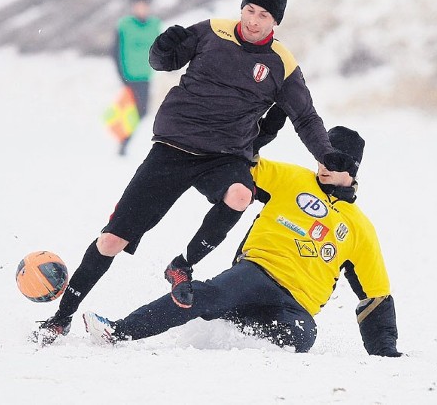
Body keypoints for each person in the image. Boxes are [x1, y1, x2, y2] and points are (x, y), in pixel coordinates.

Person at [32, 0, 358, 345]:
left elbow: (306, 118)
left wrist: (326, 154)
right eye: (249, 10)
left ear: (275, 22)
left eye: (263, 15)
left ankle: (182, 264)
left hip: (224, 156)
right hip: (173, 147)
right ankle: (61, 318)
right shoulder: (211, 32)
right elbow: (161, 61)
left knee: (240, 194)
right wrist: (161, 48)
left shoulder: (282, 64)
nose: (253, 20)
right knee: (111, 240)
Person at [82, 121, 402, 356]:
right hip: (255, 274)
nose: (324, 166)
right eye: (321, 156)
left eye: (336, 161)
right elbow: (243, 163)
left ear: (353, 168)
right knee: (204, 295)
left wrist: (384, 352)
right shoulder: (291, 178)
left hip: (296, 304)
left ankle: (229, 326)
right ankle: (119, 331)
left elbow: (375, 293)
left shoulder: (360, 228)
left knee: (303, 338)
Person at [112, 0, 162, 155]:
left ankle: (123, 136)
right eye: (138, 5)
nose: (141, 9)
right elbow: (115, 51)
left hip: (146, 75)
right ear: (133, 7)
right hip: (129, 75)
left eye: (144, 5)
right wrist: (121, 75)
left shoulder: (155, 25)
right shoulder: (124, 25)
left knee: (142, 110)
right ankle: (123, 140)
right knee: (137, 109)